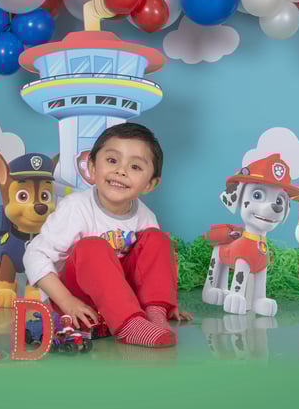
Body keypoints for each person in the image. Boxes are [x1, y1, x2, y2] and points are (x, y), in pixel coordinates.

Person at [23, 123, 192, 348]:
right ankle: (130, 327)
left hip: (124, 299)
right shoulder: (76, 207)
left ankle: (154, 314)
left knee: (158, 239)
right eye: (112, 161)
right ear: (91, 168)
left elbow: (153, 268)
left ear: (150, 184)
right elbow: (34, 255)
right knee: (91, 247)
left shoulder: (145, 216)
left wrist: (163, 302)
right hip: (80, 299)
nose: (121, 171)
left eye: (135, 167)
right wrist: (67, 301)